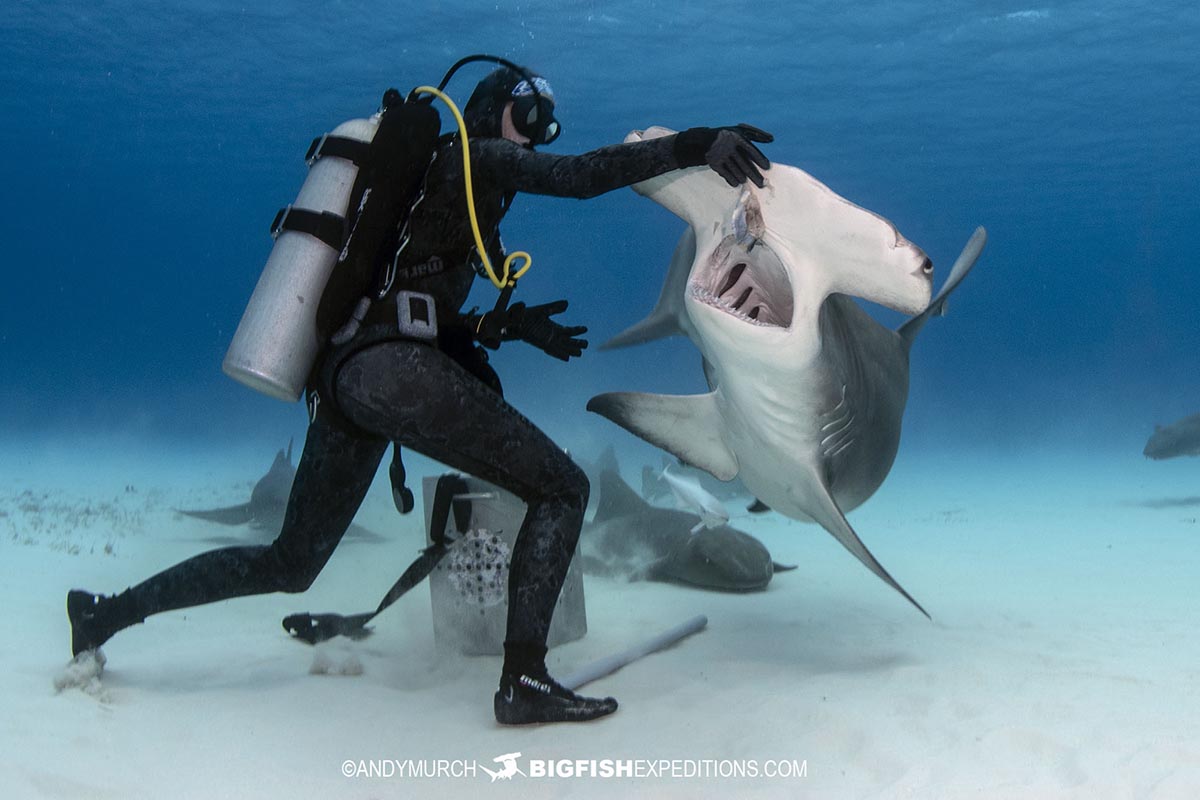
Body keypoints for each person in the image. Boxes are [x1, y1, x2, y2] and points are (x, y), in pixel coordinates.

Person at [67, 64, 772, 725]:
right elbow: (581, 178)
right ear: (497, 113)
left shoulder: (440, 192)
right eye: (531, 119)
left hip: (348, 376)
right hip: (391, 373)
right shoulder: (476, 158)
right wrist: (693, 144)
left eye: (547, 126)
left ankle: (104, 614)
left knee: (290, 561)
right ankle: (523, 678)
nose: (538, 137)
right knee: (562, 489)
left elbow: (410, 303)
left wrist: (508, 325)